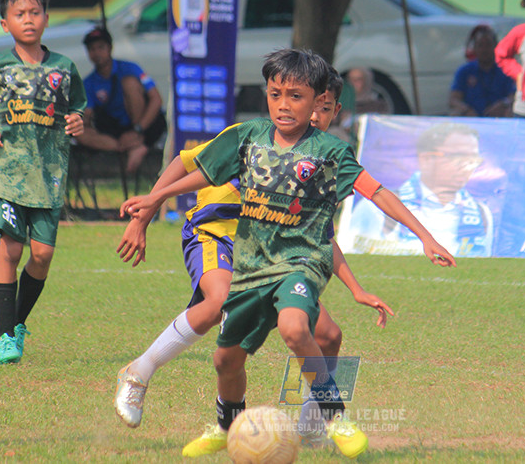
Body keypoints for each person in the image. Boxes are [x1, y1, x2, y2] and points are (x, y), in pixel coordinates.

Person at [116, 48, 455, 459]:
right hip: (249, 263)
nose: (283, 104)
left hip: (299, 262)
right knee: (225, 360)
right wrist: (154, 199)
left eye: (296, 96)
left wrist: (425, 237)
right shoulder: (248, 137)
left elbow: (376, 192)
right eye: (276, 94)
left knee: (296, 329)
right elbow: (200, 171)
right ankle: (226, 425)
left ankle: (332, 417)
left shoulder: (330, 152)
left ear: (318, 103)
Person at [0, 0, 86, 365]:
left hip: (49, 173)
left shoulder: (64, 68)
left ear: (47, 19)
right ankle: (4, 337)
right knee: (12, 248)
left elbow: (77, 109)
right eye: (19, 14)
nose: (29, 19)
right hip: (7, 170)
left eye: (35, 12)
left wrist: (78, 121)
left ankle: (16, 323)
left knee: (43, 254)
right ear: (5, 24)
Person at [346, 121, 494, 257]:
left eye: (473, 159)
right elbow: (357, 259)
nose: (467, 166)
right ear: (426, 159)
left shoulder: (480, 213)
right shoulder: (377, 207)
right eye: (458, 157)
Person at [77, 27, 166, 174]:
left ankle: (136, 139)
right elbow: (87, 114)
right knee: (78, 132)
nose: (97, 53)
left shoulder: (131, 68)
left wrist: (138, 129)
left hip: (142, 125)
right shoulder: (88, 83)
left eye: (101, 47)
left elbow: (156, 99)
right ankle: (128, 146)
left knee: (129, 83)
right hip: (115, 130)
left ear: (110, 48)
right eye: (92, 49)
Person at [449, 24, 516, 117]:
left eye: (488, 45)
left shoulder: (505, 70)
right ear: (474, 48)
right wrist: (466, 109)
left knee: (510, 112)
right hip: (471, 117)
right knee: (455, 113)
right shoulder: (464, 71)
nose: (484, 50)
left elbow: (515, 96)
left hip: (498, 117)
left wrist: (504, 104)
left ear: (495, 47)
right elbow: (453, 99)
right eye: (480, 45)